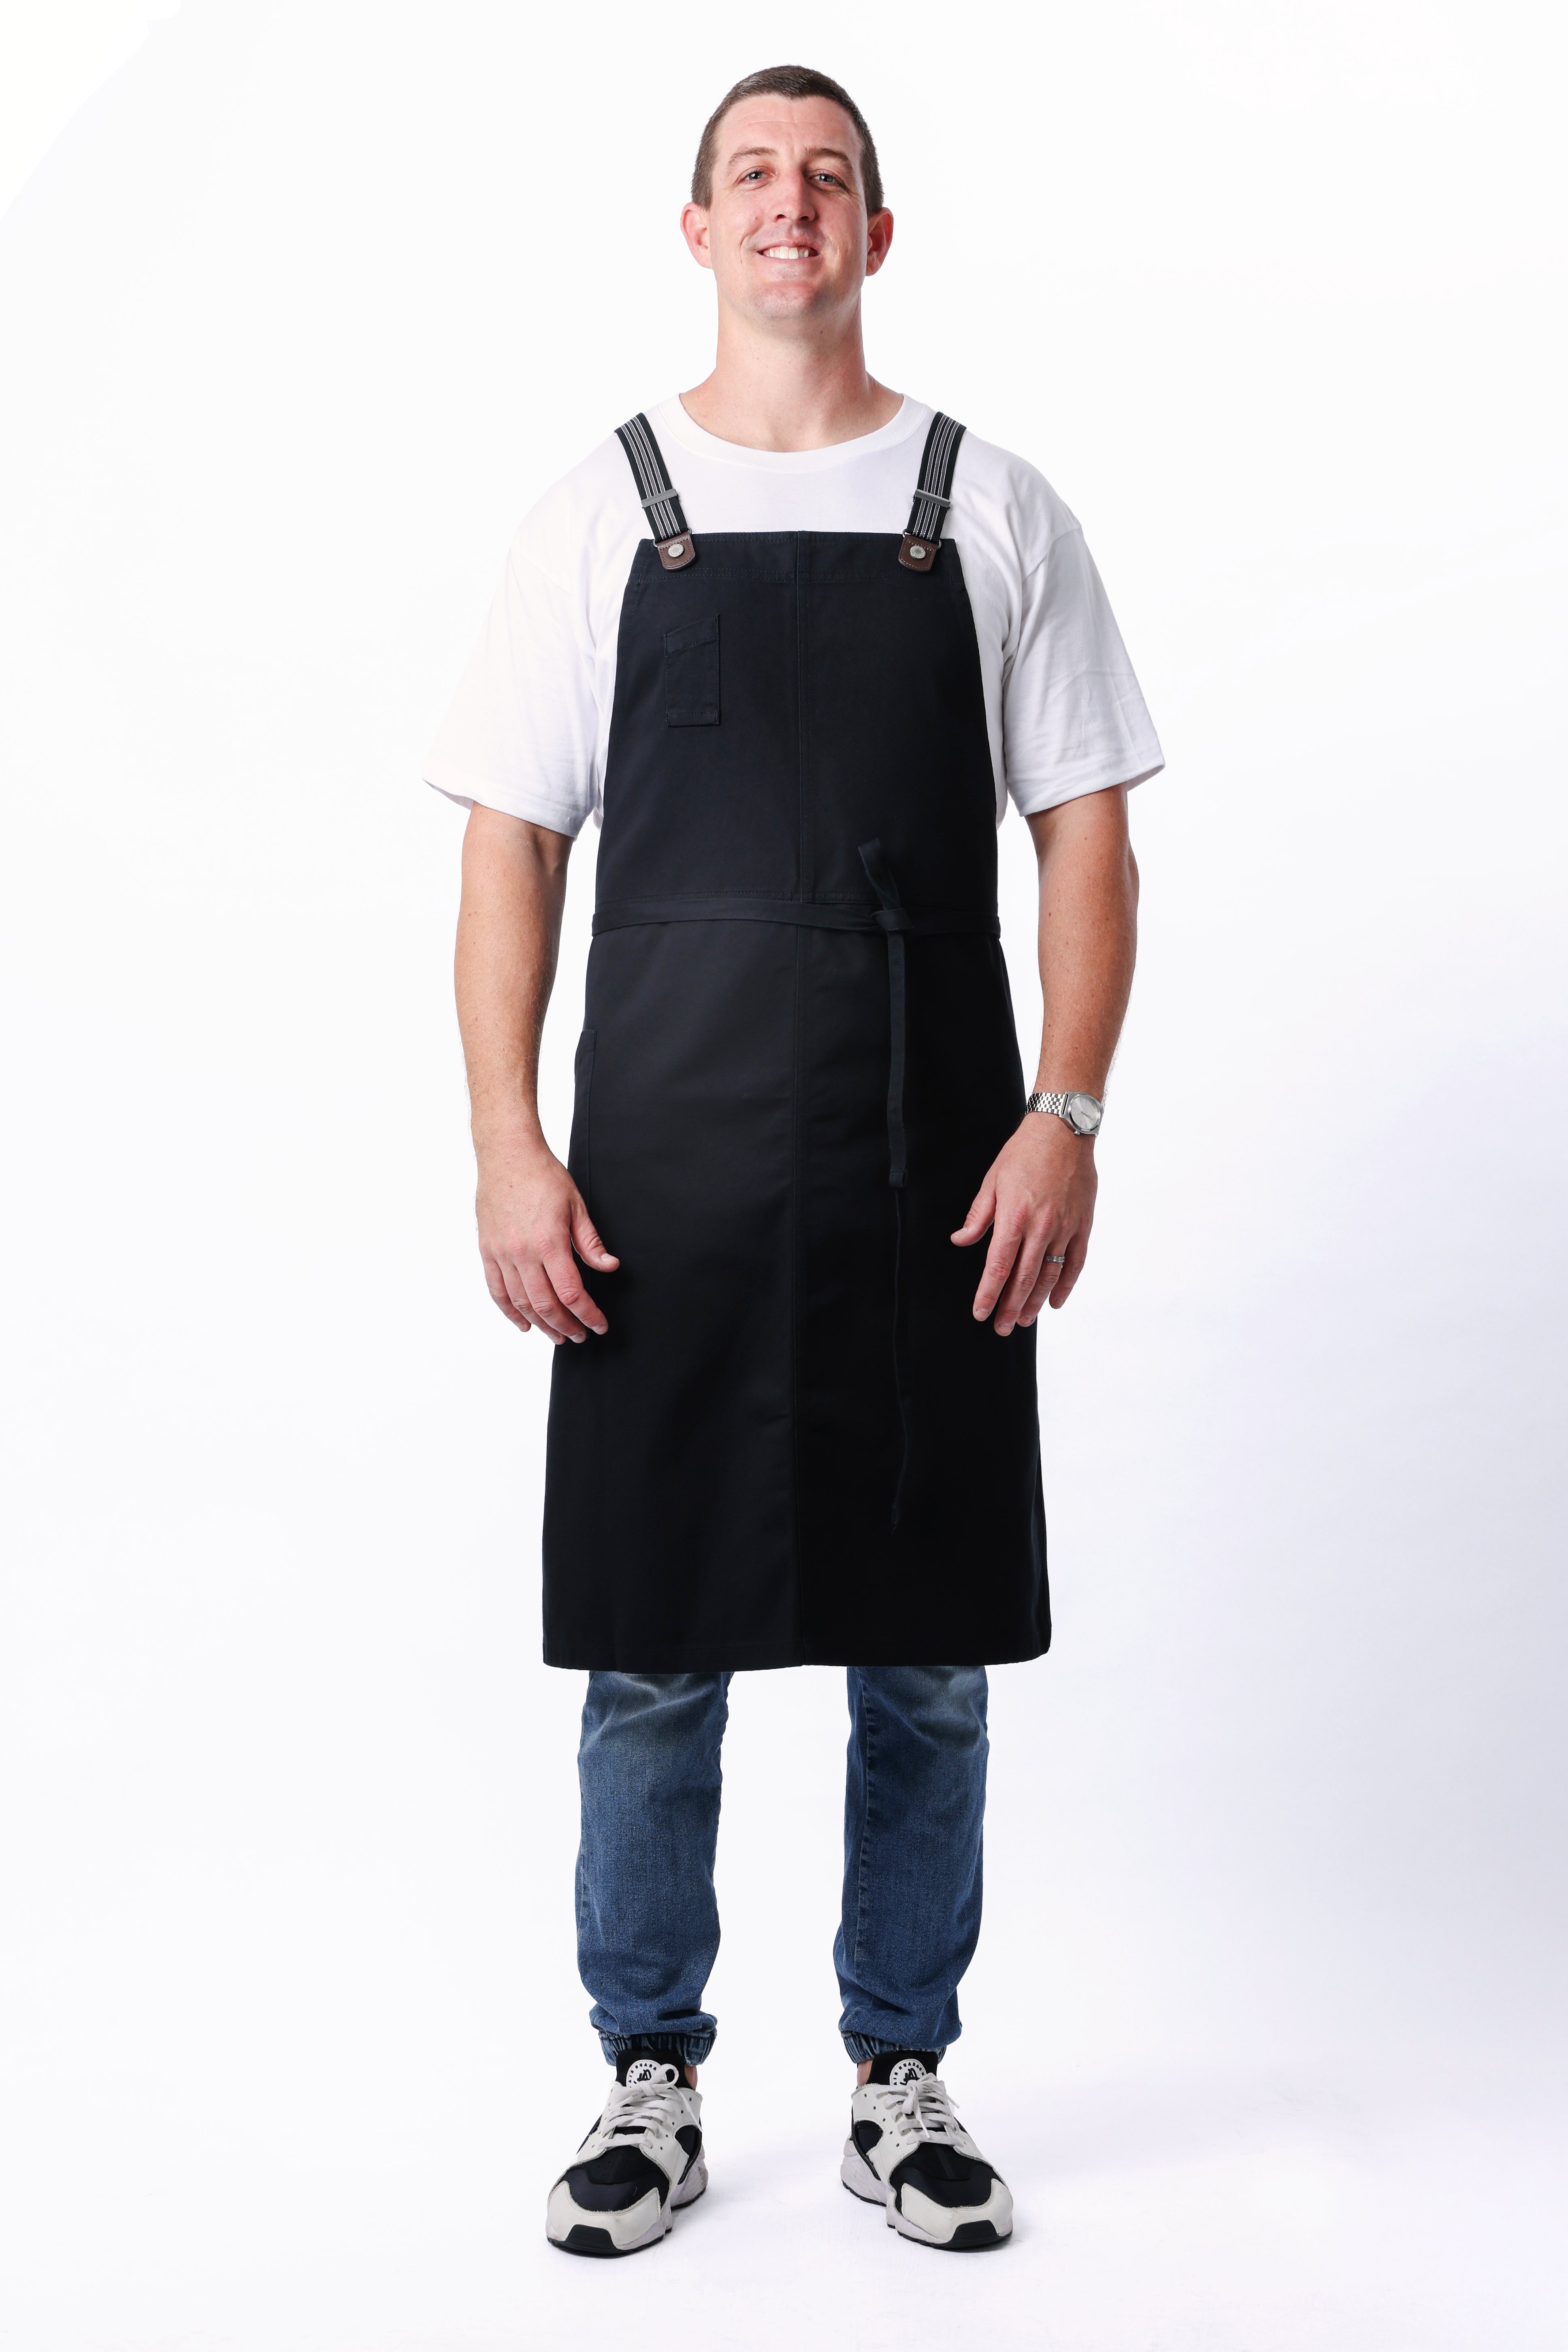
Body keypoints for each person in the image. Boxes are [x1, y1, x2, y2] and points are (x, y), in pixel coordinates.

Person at [425, 64, 1162, 2257]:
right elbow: (508, 850)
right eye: (753, 173)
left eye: (828, 176)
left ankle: (900, 2075)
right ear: (697, 228)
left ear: (876, 232)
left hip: (940, 1162)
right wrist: (508, 1148)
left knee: (925, 1655)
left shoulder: (994, 506)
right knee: (654, 1649)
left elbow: (1090, 834)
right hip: (664, 1175)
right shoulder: (599, 511)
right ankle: (647, 2080)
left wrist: (1068, 1113)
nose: (790, 204)